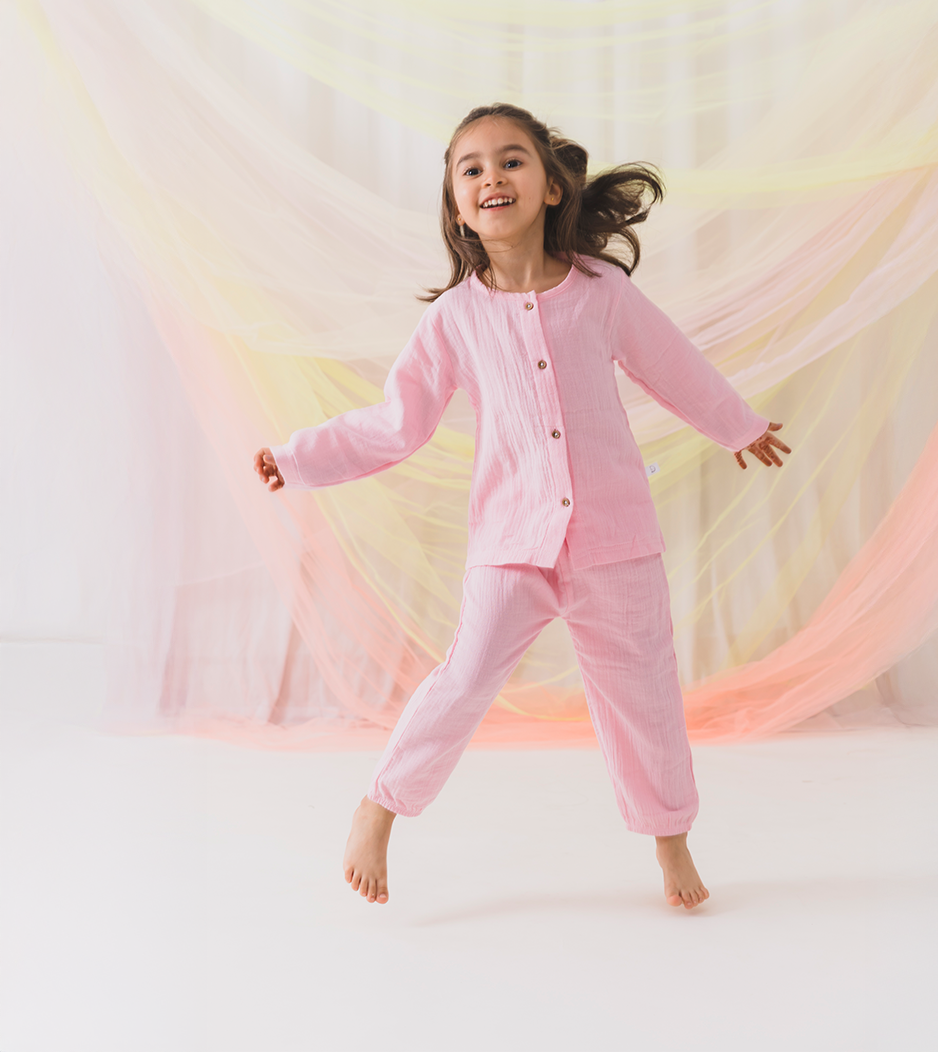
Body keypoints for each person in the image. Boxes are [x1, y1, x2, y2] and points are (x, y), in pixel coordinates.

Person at [253, 103, 790, 911]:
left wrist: (737, 425)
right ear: (457, 205)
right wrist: (298, 458)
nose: (490, 177)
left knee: (644, 693)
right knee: (464, 676)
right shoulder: (454, 321)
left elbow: (670, 365)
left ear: (547, 187)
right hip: (512, 543)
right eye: (470, 168)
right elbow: (394, 424)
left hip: (615, 538)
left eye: (510, 161)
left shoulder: (601, 292)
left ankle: (671, 842)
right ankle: (381, 806)